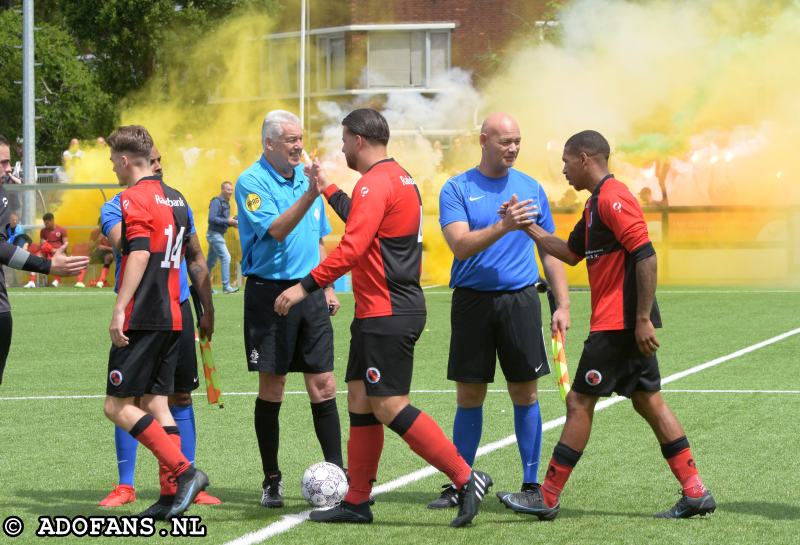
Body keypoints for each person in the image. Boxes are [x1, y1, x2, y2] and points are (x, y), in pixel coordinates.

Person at [274, 108, 492, 528]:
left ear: (358, 139)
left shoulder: (375, 184)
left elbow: (352, 247)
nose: (341, 147)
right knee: (360, 402)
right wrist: (327, 188)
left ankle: (466, 478)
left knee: (389, 405)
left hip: (387, 311)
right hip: (384, 309)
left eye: (343, 140)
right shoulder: (398, 178)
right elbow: (364, 221)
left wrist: (304, 287)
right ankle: (357, 501)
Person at [503, 130, 716, 520]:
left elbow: (646, 254)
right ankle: (695, 491)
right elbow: (569, 254)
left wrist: (640, 319)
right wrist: (526, 227)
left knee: (579, 402)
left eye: (567, 162)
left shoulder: (614, 197)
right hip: (619, 323)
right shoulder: (594, 205)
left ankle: (547, 496)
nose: (564, 170)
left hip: (618, 325)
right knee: (650, 402)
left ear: (585, 158)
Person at [430, 113, 570, 511]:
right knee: (469, 394)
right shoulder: (457, 188)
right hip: (472, 302)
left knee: (524, 392)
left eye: (517, 141)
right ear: (484, 140)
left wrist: (563, 302)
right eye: (505, 141)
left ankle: (530, 482)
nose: (512, 148)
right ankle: (460, 482)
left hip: (520, 300)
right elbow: (460, 246)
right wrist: (505, 226)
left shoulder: (531, 188)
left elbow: (548, 248)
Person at [98, 143, 220, 513]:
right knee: (154, 402)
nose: (159, 163)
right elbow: (137, 245)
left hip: (146, 313)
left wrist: (120, 308)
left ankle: (184, 472)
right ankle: (165, 495)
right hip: (171, 312)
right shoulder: (172, 200)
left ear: (123, 160)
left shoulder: (135, 198)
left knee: (117, 405)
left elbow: (137, 251)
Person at [234, 109, 343, 508]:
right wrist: (311, 194)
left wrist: (326, 286)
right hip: (269, 297)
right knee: (273, 388)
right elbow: (278, 231)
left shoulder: (306, 178)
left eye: (301, 139)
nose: (300, 146)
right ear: (270, 144)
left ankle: (338, 474)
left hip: (310, 293)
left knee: (324, 385)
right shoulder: (251, 182)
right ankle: (271, 479)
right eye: (291, 140)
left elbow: (318, 239)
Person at [0, 134, 89, 385]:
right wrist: (47, 266)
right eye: (3, 163)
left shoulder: (3, 195)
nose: (8, 169)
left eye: (8, 162)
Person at [206, 181, 239, 294]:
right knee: (226, 257)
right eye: (228, 189)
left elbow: (221, 221)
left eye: (231, 189)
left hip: (217, 234)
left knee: (210, 263)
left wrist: (231, 223)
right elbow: (211, 219)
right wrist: (228, 221)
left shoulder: (226, 203)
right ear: (222, 189)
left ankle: (203, 287)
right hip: (214, 235)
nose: (230, 192)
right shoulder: (216, 201)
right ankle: (226, 286)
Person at [24, 212, 68, 288]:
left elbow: (65, 245)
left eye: (47, 223)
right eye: (45, 223)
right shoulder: (43, 231)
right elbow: (42, 244)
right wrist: (50, 249)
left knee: (60, 258)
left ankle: (57, 281)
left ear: (52, 220)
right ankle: (31, 281)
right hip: (46, 251)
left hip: (58, 252)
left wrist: (57, 251)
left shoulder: (62, 230)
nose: (46, 225)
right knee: (35, 258)